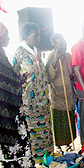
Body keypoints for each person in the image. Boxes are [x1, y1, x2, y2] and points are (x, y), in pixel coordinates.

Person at [12, 22, 53, 164]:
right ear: (25, 36)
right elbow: (14, 76)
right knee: (35, 134)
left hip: (43, 101)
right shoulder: (19, 52)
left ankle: (48, 159)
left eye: (39, 35)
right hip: (30, 104)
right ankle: (37, 161)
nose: (38, 38)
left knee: (46, 131)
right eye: (35, 36)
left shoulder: (37, 51)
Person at [0, 22, 35, 168]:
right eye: (6, 35)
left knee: (21, 147)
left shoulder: (2, 55)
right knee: (13, 150)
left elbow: (8, 79)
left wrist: (18, 79)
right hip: (6, 114)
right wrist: (16, 81)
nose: (9, 37)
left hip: (13, 112)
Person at [46, 33, 76, 152]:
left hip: (69, 96)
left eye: (63, 43)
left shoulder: (68, 56)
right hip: (57, 97)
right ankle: (58, 146)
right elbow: (49, 78)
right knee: (59, 125)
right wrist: (55, 59)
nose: (62, 46)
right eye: (59, 44)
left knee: (69, 124)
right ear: (54, 45)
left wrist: (73, 75)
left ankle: (69, 144)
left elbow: (72, 73)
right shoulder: (52, 56)